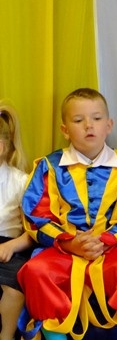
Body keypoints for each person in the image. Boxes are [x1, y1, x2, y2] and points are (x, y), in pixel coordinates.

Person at [19, 88, 117, 340]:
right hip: (63, 248)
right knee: (37, 271)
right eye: (78, 120)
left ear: (109, 125)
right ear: (65, 130)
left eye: (96, 118)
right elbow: (38, 215)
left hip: (112, 246)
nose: (88, 125)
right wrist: (70, 242)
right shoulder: (49, 167)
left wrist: (105, 240)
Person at [0, 103, 32, 340]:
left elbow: (33, 231)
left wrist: (12, 245)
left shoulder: (21, 181)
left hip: (9, 246)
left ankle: (6, 335)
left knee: (14, 288)